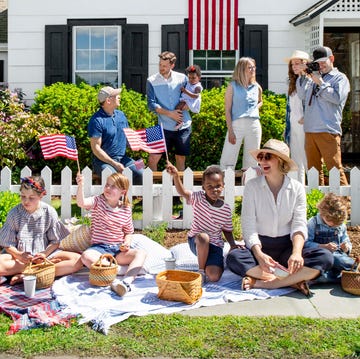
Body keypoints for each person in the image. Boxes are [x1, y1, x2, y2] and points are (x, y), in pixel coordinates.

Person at [226, 139, 333, 295]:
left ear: (281, 161)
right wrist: (259, 255)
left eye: (268, 157)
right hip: (260, 246)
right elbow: (248, 225)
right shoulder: (252, 186)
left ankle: (268, 284)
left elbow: (299, 225)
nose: (262, 161)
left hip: (287, 248)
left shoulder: (297, 188)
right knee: (234, 257)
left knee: (325, 258)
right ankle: (293, 281)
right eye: (260, 157)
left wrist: (296, 253)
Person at [0, 176, 83, 285]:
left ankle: (28, 274)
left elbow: (55, 241)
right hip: (21, 257)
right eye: (23, 196)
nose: (26, 201)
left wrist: (44, 254)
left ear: (41, 196)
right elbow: (7, 244)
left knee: (78, 260)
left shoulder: (49, 211)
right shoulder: (14, 213)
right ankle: (40, 271)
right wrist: (19, 255)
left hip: (45, 255)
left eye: (31, 198)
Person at [166, 161, 240, 283]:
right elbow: (183, 192)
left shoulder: (225, 209)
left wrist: (232, 245)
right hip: (197, 241)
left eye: (218, 186)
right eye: (209, 186)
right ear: (203, 187)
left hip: (215, 245)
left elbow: (227, 230)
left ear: (223, 186)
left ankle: (212, 264)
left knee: (214, 277)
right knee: (204, 237)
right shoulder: (198, 198)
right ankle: (201, 272)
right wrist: (176, 176)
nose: (214, 189)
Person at [76, 172, 146, 296]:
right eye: (107, 185)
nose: (108, 188)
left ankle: (126, 282)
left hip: (118, 249)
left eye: (113, 187)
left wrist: (127, 243)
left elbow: (128, 231)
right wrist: (80, 185)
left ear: (122, 192)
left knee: (141, 253)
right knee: (86, 256)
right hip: (99, 249)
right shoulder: (98, 201)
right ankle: (119, 271)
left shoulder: (126, 208)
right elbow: (81, 203)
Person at [296, 46, 350, 186]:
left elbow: (337, 98)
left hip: (328, 130)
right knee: (313, 171)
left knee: (335, 170)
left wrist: (320, 82)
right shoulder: (313, 77)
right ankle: (317, 203)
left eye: (323, 62)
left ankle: (344, 205)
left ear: (331, 59)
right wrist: (303, 75)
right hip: (310, 130)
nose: (320, 66)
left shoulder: (340, 78)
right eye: (317, 63)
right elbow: (301, 95)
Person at [146, 51, 192, 171]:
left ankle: (179, 188)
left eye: (164, 66)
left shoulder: (183, 78)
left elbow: (190, 98)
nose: (161, 68)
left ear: (172, 65)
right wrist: (170, 114)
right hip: (161, 126)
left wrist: (185, 107)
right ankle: (152, 188)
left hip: (183, 126)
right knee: (152, 158)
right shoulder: (151, 80)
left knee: (180, 159)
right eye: (160, 65)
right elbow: (151, 104)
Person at [88, 86, 143, 185]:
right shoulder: (96, 120)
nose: (119, 96)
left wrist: (136, 144)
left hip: (123, 159)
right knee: (114, 179)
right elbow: (96, 148)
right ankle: (115, 200)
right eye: (116, 95)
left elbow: (127, 136)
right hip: (103, 162)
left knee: (142, 172)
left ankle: (139, 200)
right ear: (108, 100)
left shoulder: (121, 115)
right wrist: (114, 164)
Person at [219, 57, 263, 171]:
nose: (253, 69)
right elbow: (227, 110)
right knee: (228, 159)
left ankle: (249, 186)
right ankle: (224, 185)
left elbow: (260, 101)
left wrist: (255, 108)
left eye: (254, 67)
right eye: (250, 67)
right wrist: (230, 131)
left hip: (254, 125)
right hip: (236, 125)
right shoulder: (232, 86)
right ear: (242, 69)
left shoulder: (257, 86)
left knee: (252, 162)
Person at [305, 193, 355, 283]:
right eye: (332, 223)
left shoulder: (340, 225)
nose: (335, 225)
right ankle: (349, 271)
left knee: (340, 260)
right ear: (323, 214)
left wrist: (346, 247)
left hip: (338, 254)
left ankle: (335, 276)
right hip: (320, 256)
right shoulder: (313, 223)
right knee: (339, 261)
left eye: (338, 224)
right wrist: (323, 246)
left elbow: (345, 239)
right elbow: (305, 244)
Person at [284, 50, 310, 185]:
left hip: (305, 124)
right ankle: (298, 188)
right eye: (292, 64)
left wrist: (306, 116)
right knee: (295, 159)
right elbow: (290, 108)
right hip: (293, 124)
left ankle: (312, 190)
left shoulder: (309, 80)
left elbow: (311, 101)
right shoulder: (293, 82)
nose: (294, 66)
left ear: (305, 64)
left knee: (307, 158)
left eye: (297, 63)